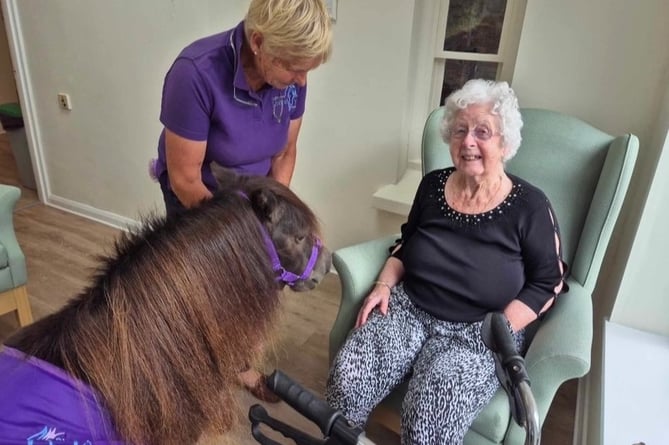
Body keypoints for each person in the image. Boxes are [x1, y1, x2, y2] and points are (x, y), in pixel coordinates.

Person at [325, 79, 568, 444]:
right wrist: (383, 283)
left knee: (430, 416)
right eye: (460, 130)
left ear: (504, 143)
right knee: (348, 376)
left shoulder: (530, 206)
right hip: (410, 308)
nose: (468, 141)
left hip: (479, 331)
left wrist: (501, 328)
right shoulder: (432, 186)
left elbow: (548, 281)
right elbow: (406, 244)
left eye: (482, 131)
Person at [149, 0, 333, 403]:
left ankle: (236, 361)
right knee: (207, 289)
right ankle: (193, 368)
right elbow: (184, 178)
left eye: (308, 70)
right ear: (258, 41)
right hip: (201, 196)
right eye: (294, 67)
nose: (302, 81)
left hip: (256, 195)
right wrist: (244, 238)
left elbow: (285, 153)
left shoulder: (291, 80)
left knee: (259, 286)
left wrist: (274, 213)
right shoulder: (195, 73)